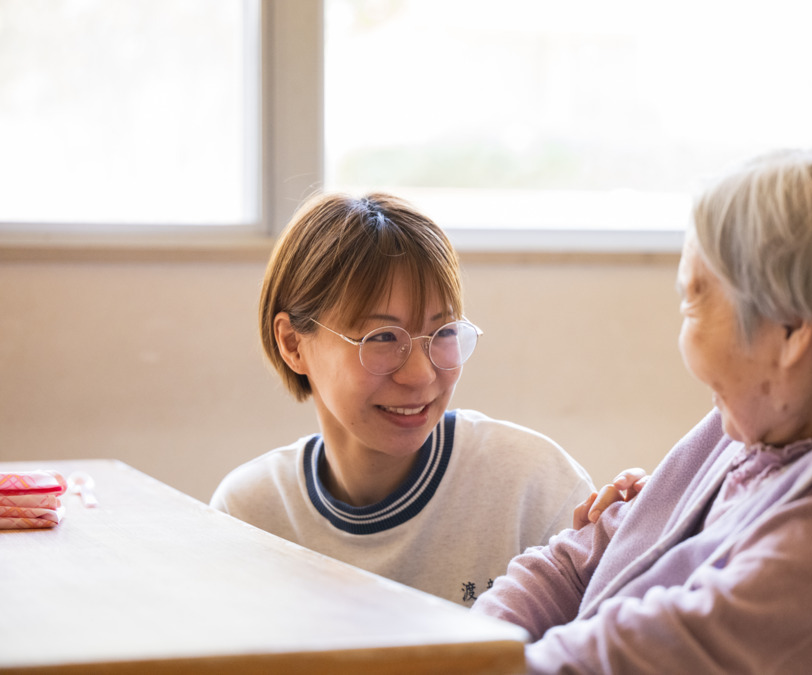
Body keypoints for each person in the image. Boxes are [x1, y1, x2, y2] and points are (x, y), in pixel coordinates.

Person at [472, 145, 812, 673]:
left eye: (694, 300)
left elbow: (673, 654)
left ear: (791, 332)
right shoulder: (757, 424)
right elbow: (582, 560)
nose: (683, 334)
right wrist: (467, 643)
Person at [210, 192, 596, 606]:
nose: (421, 374)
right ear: (293, 345)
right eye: (382, 338)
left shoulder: (533, 487)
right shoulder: (248, 515)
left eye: (443, 332)